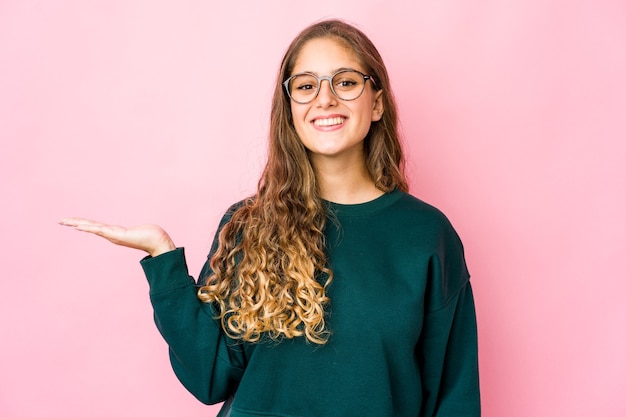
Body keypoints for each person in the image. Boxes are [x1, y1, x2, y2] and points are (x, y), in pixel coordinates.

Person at [60, 19, 480, 417]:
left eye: (346, 82)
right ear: (290, 109)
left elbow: (453, 393)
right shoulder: (250, 225)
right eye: (306, 86)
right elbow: (209, 376)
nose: (325, 98)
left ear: (377, 104)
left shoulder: (427, 236)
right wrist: (163, 257)